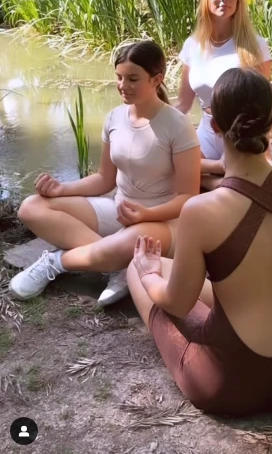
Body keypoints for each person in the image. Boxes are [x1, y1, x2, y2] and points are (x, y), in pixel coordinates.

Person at [126, 68, 272, 417]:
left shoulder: (200, 210)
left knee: (139, 270)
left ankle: (143, 274)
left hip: (226, 385)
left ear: (214, 125)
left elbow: (178, 304)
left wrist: (149, 274)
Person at [9, 40, 200, 305]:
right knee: (32, 207)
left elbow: (189, 197)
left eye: (132, 79)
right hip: (120, 210)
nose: (122, 85)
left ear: (157, 79)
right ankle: (116, 266)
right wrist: (61, 189)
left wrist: (147, 215)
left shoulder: (178, 125)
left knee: (128, 241)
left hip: (164, 221)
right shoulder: (114, 118)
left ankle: (57, 261)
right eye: (119, 77)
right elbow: (104, 179)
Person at [176, 0, 272, 188]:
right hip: (207, 131)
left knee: (253, 178)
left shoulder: (255, 46)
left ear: (238, 1)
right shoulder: (193, 45)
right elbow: (183, 104)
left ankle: (221, 177)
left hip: (244, 133)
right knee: (170, 163)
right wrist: (153, 122)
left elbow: (263, 106)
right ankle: (221, 175)